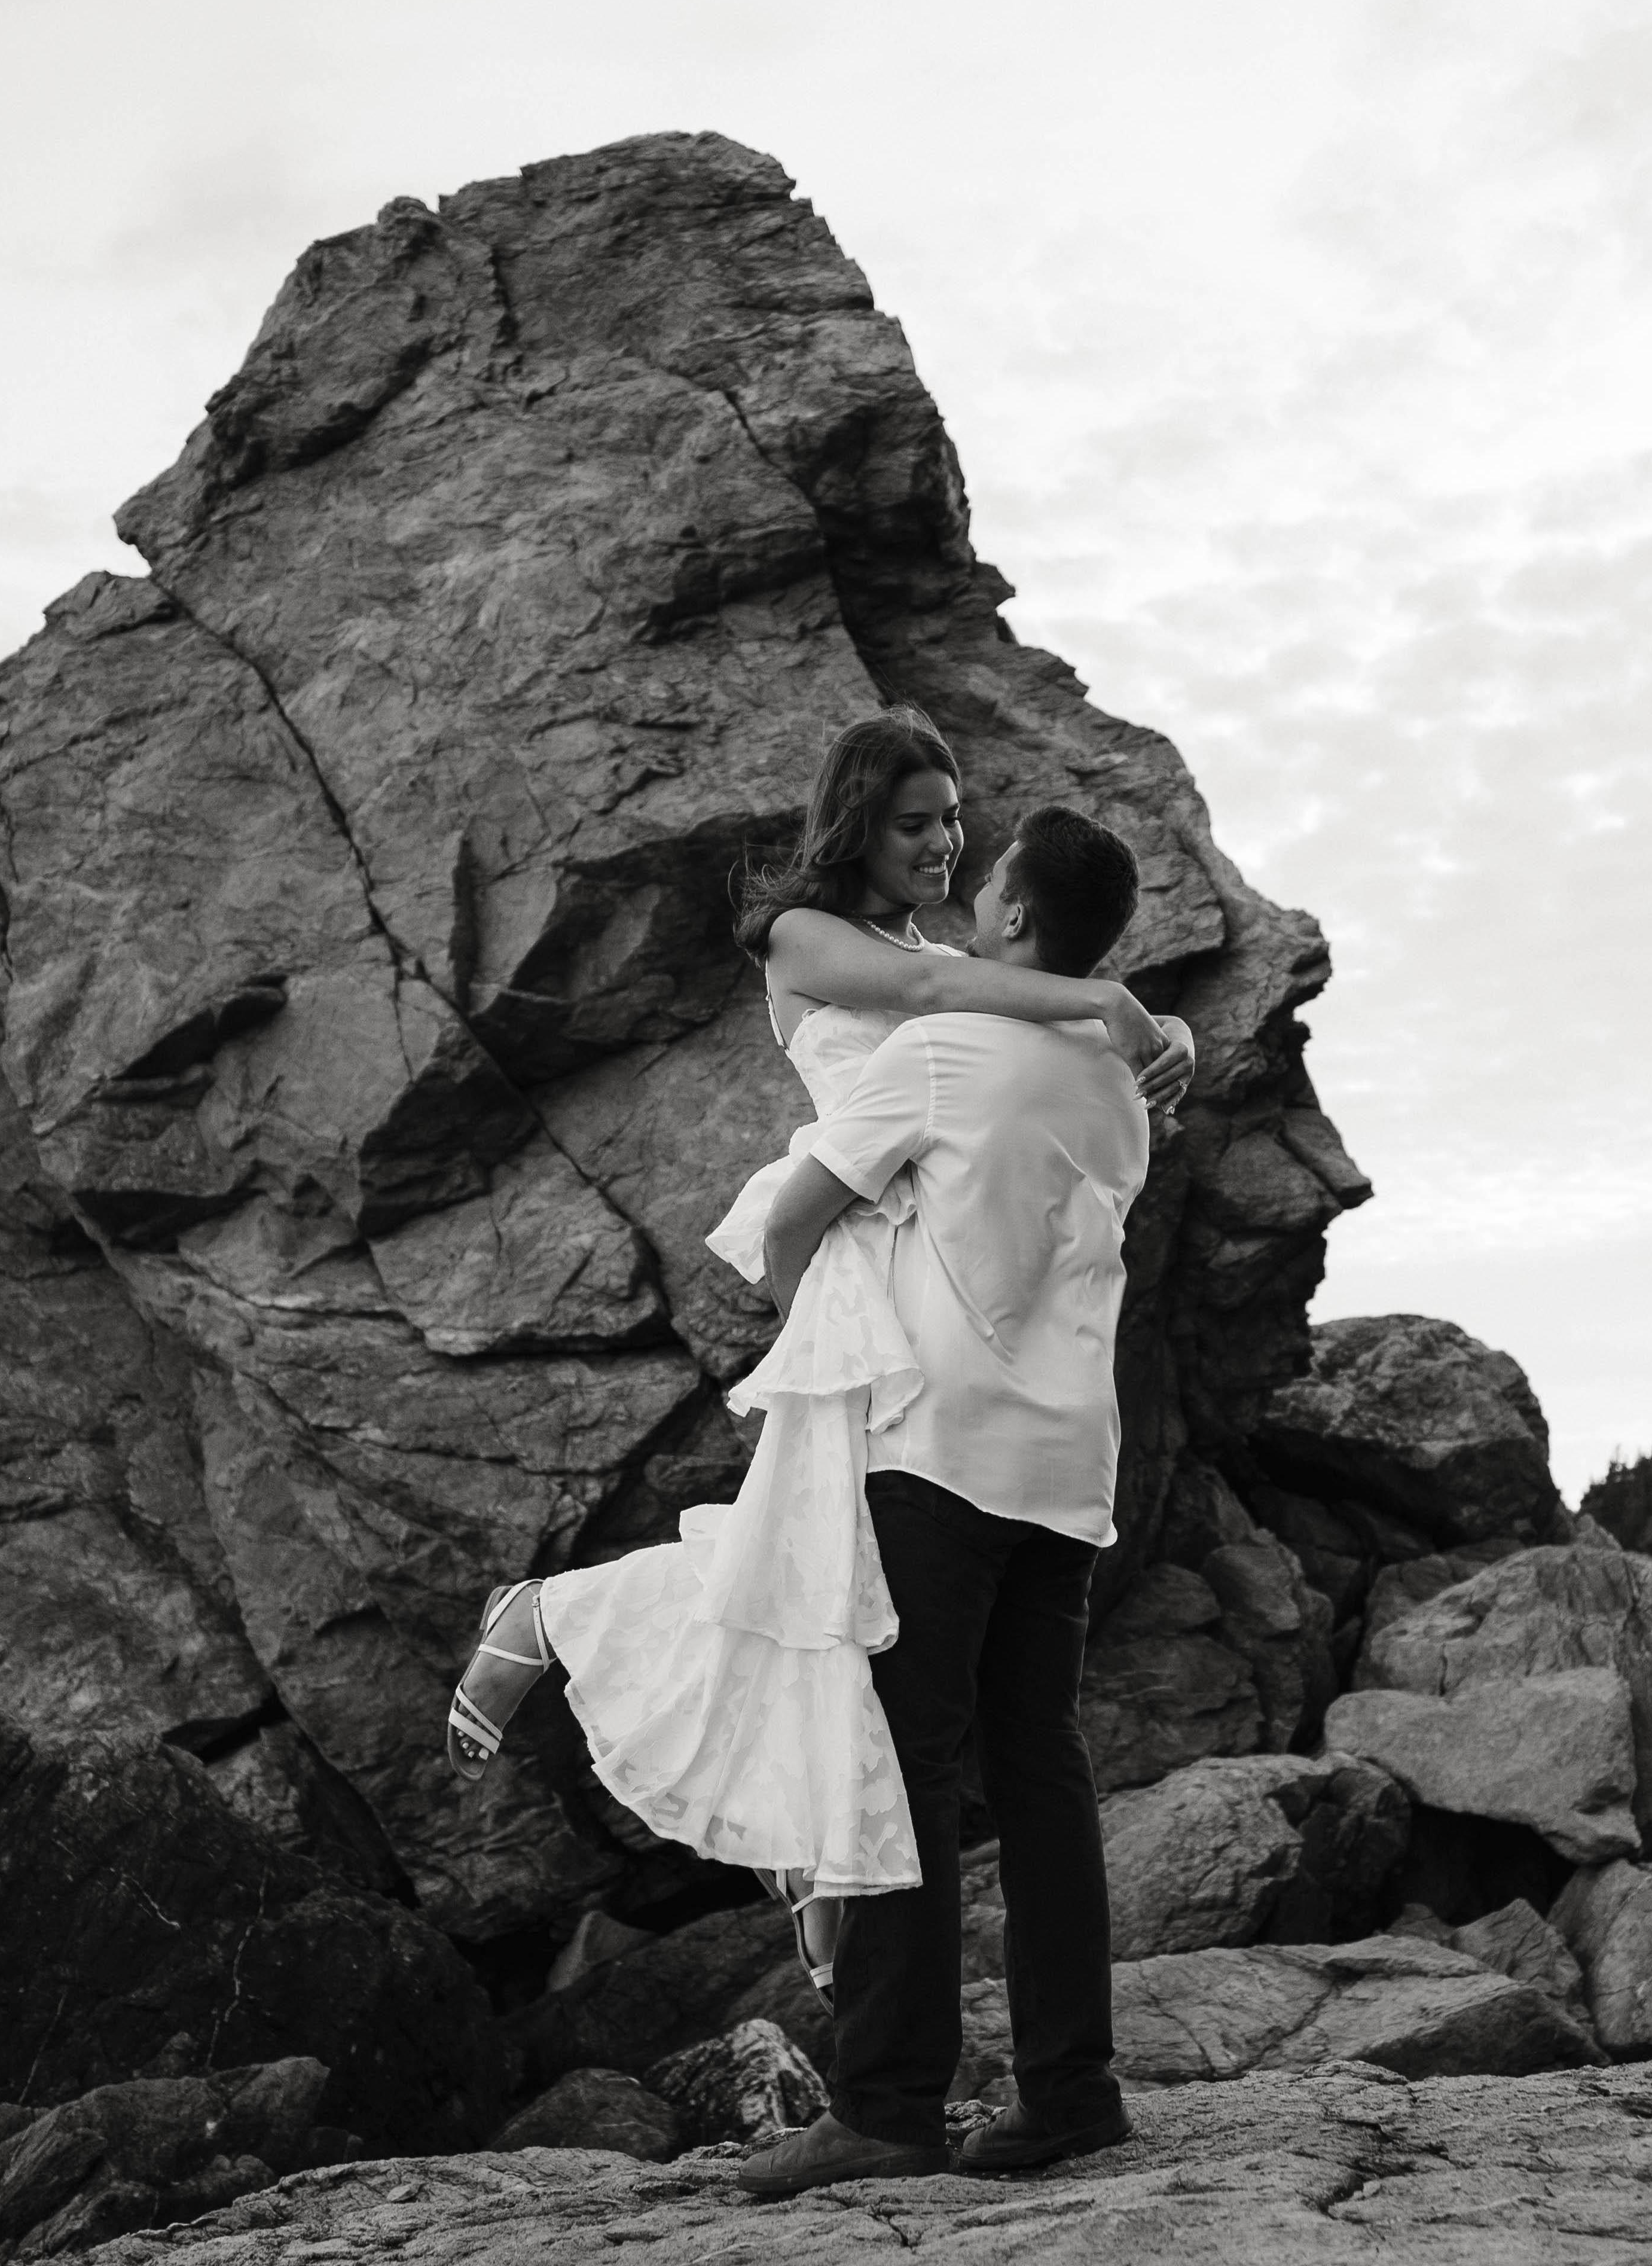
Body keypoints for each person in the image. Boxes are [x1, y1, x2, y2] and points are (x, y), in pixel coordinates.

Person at [442, 707, 1189, 1997]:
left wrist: (1168, 1036)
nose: (943, 844)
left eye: (953, 821)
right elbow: (945, 1004)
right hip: (854, 1270)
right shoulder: (805, 937)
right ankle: (569, 1634)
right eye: (913, 823)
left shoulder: (946, 950)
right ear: (858, 822)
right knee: (810, 1564)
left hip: (930, 1268)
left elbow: (1013, 1024)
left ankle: (807, 1849)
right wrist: (1114, 1003)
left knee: (822, 1575)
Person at [731, 800, 1158, 2198]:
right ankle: (1073, 2091)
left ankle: (888, 2106)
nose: (967, 893)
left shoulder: (940, 1052)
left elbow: (794, 1217)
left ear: (1019, 920)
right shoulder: (1116, 1088)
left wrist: (817, 1343)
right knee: (1041, 1768)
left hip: (935, 1451)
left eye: (991, 883)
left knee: (899, 1768)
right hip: (1069, 1462)